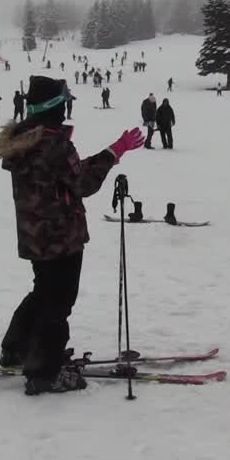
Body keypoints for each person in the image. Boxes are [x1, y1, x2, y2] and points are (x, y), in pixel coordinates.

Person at [0, 75, 145, 395]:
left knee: (44, 292)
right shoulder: (54, 143)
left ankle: (16, 348)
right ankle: (44, 372)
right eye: (64, 103)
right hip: (60, 236)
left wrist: (112, 151)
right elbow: (82, 183)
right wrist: (115, 152)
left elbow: (66, 176)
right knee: (58, 302)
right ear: (54, 107)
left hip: (35, 235)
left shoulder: (27, 140)